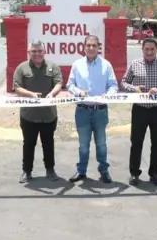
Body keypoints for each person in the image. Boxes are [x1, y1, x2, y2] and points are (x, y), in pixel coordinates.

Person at [121, 38, 157, 186]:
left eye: (152, 49)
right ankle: (134, 174)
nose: (149, 52)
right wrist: (135, 88)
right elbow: (124, 82)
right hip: (140, 109)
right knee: (136, 142)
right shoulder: (134, 64)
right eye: (146, 49)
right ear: (142, 50)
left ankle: (155, 173)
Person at [67, 35, 118, 183]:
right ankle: (81, 171)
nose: (91, 48)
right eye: (88, 45)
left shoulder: (106, 65)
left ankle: (104, 171)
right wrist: (79, 92)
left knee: (101, 143)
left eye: (94, 45)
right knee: (83, 144)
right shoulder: (77, 65)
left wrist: (107, 96)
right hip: (82, 110)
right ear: (84, 47)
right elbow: (70, 84)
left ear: (98, 47)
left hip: (100, 111)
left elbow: (113, 85)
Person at [13, 40, 63, 183]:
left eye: (40, 51)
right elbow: (16, 87)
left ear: (44, 52)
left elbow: (58, 83)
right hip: (29, 116)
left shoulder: (53, 67)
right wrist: (31, 94)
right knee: (28, 144)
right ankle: (26, 171)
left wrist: (52, 94)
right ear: (29, 53)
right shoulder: (21, 68)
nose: (37, 54)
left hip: (49, 115)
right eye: (34, 51)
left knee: (48, 143)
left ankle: (50, 170)